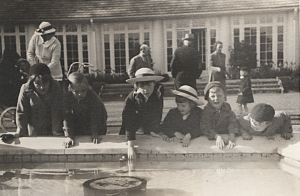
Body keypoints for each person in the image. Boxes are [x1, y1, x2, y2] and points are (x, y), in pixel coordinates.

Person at [1, 63, 63, 143]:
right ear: (32, 81)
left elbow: (56, 111)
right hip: (34, 128)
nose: (42, 87)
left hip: (52, 126)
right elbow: (22, 112)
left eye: (45, 83)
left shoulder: (56, 87)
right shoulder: (25, 88)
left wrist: (56, 133)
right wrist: (20, 131)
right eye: (38, 84)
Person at [121, 68, 164, 159]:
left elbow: (157, 114)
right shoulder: (130, 100)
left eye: (149, 85)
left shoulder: (157, 96)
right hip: (132, 126)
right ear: (136, 86)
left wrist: (153, 129)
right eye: (142, 86)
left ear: (154, 84)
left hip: (147, 125)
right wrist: (131, 146)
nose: (146, 89)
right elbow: (128, 122)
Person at [62, 72, 107, 148]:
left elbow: (96, 116)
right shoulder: (67, 98)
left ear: (87, 87)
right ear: (70, 89)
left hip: (98, 119)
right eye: (76, 91)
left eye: (83, 91)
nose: (80, 94)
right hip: (78, 120)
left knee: (94, 138)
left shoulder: (93, 97)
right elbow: (67, 117)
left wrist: (95, 133)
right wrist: (69, 136)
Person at [202, 81, 239, 149]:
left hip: (226, 134)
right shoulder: (206, 111)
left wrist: (232, 136)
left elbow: (232, 122)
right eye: (212, 96)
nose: (216, 99)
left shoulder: (227, 109)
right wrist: (217, 137)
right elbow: (206, 127)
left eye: (219, 95)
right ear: (208, 98)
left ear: (224, 97)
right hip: (213, 135)